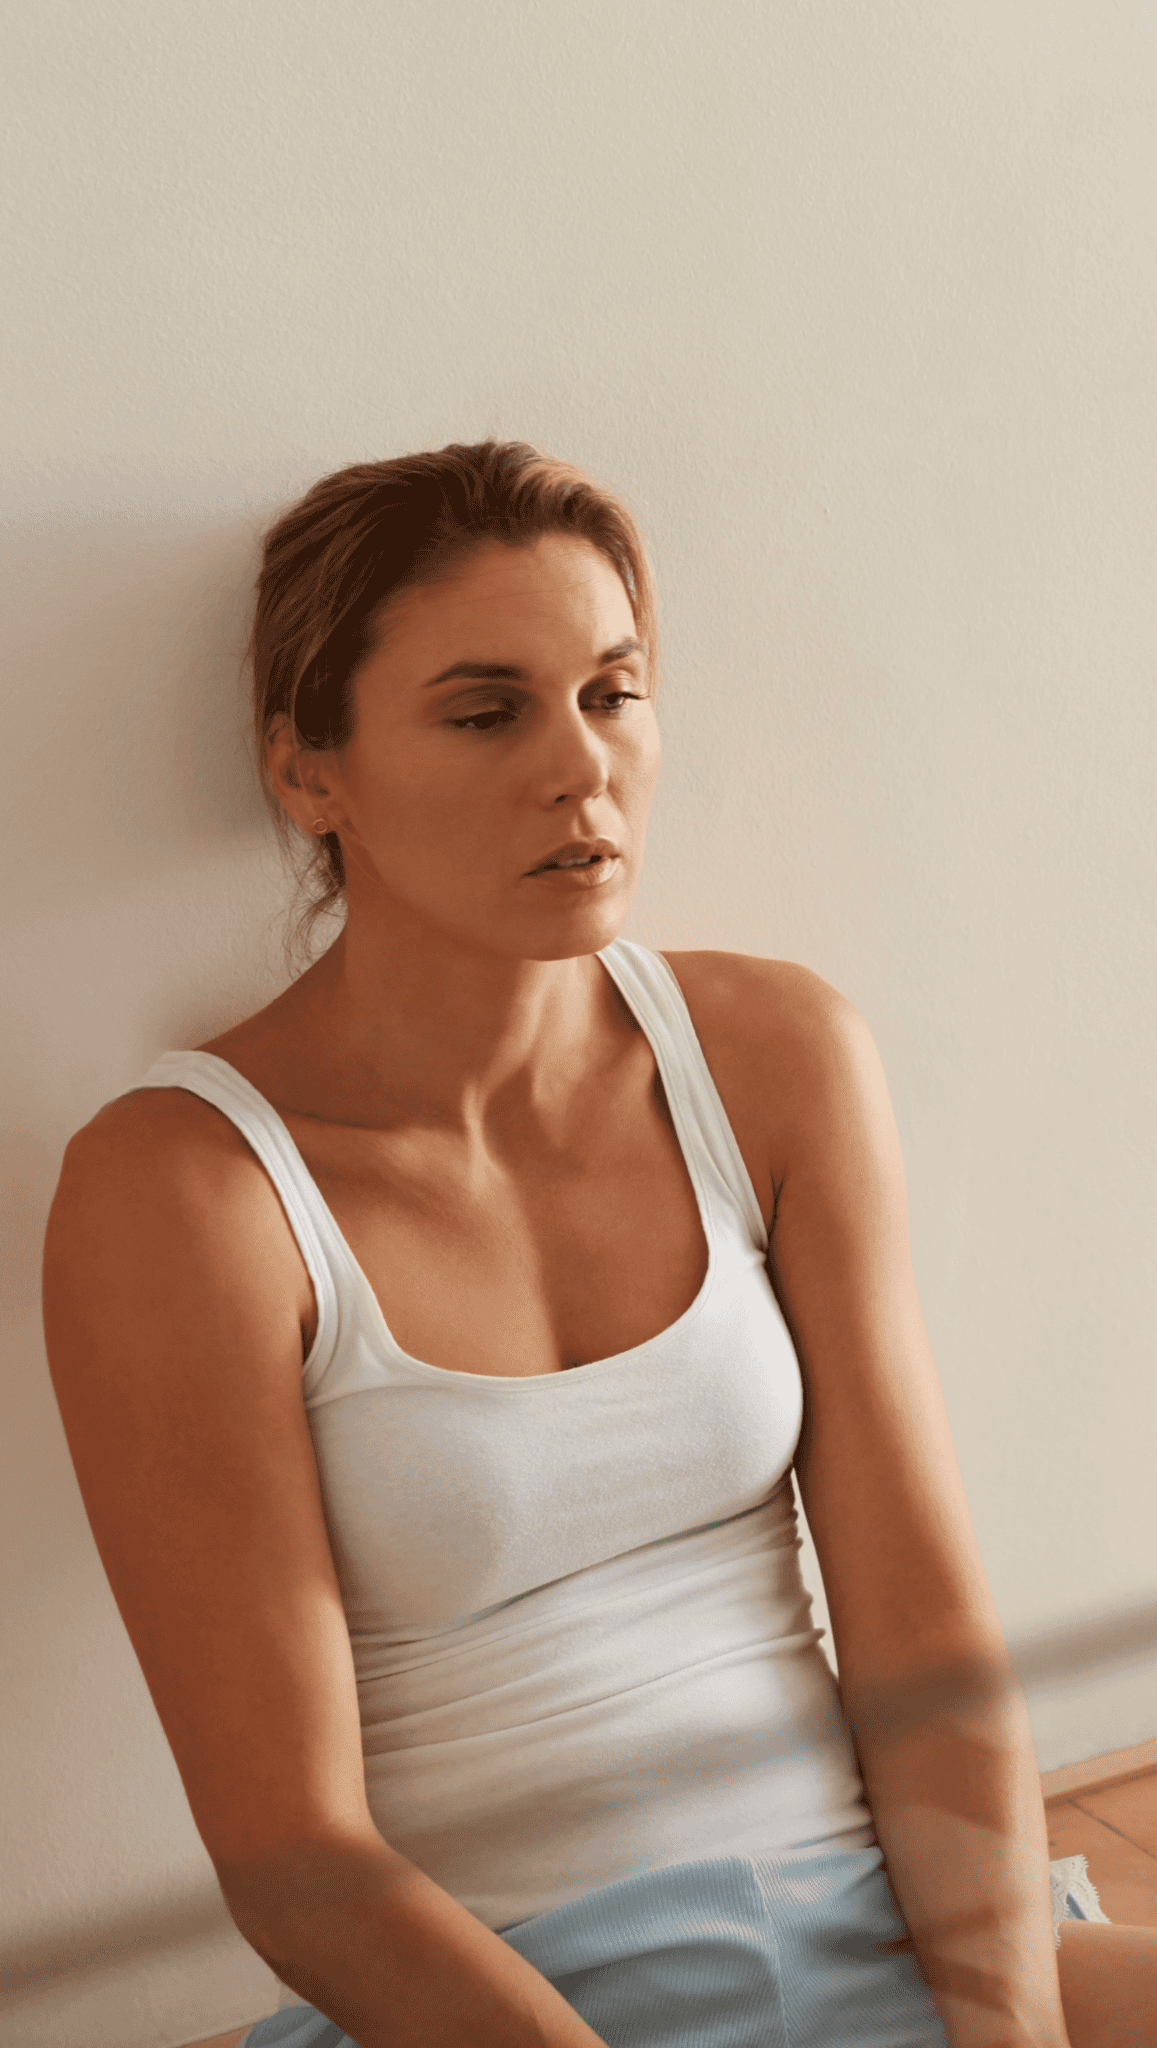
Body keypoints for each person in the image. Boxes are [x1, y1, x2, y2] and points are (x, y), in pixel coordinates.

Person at [43, 442, 1150, 2048]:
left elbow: (921, 1644)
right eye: (486, 711)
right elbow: (294, 1858)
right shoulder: (188, 1193)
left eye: (613, 694)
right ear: (310, 774)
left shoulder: (773, 1054)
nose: (582, 770)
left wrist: (1008, 2030)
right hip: (515, 2005)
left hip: (880, 1925)